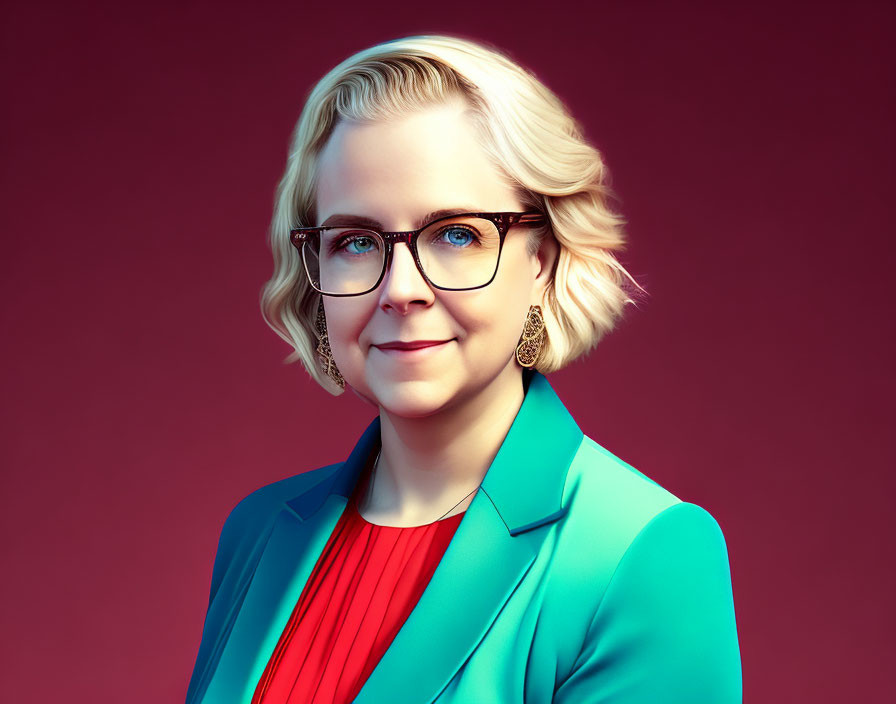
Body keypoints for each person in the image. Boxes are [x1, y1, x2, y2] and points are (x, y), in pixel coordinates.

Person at [185, 35, 742, 704]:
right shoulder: (259, 530)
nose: (399, 289)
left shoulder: (642, 553)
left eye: (455, 234)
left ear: (542, 259)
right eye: (357, 242)